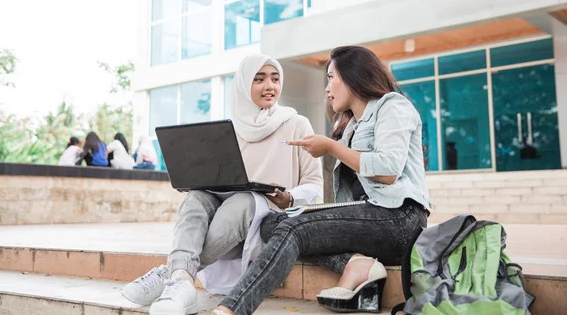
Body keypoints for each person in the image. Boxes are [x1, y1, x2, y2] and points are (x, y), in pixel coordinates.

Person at [209, 46, 430, 315]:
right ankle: (355, 263)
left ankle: (232, 308)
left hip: (400, 219)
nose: (327, 88)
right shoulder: (351, 127)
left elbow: (388, 170)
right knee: (271, 223)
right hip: (370, 218)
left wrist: (330, 147)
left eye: (331, 77)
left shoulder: (392, 105)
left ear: (353, 76)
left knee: (295, 228)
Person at [121, 53, 323, 315]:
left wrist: (290, 197)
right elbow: (222, 179)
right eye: (259, 79)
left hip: (266, 220)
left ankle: (169, 274)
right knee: (195, 196)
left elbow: (315, 185)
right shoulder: (231, 128)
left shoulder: (296, 124)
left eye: (275, 78)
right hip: (225, 226)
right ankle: (181, 281)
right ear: (243, 84)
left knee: (243, 200)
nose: (269, 86)